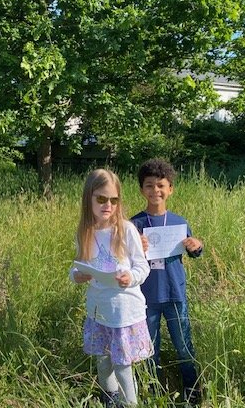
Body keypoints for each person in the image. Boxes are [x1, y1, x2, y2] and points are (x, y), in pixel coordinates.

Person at [70, 169, 153, 407]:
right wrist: (78, 275)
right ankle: (109, 397)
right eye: (101, 199)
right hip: (98, 310)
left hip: (124, 311)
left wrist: (130, 277)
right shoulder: (85, 232)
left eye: (114, 200)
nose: (108, 205)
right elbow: (76, 266)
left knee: (122, 364)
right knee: (103, 360)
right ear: (88, 198)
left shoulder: (125, 229)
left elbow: (142, 267)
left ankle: (129, 403)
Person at [130, 159, 203, 406]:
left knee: (183, 345)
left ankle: (192, 391)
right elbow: (123, 259)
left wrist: (197, 245)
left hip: (174, 294)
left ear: (170, 189)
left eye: (161, 185)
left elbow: (194, 250)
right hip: (145, 298)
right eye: (149, 185)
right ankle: (154, 393)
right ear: (142, 189)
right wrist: (135, 248)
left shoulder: (179, 223)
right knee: (149, 350)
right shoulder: (133, 225)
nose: (155, 191)